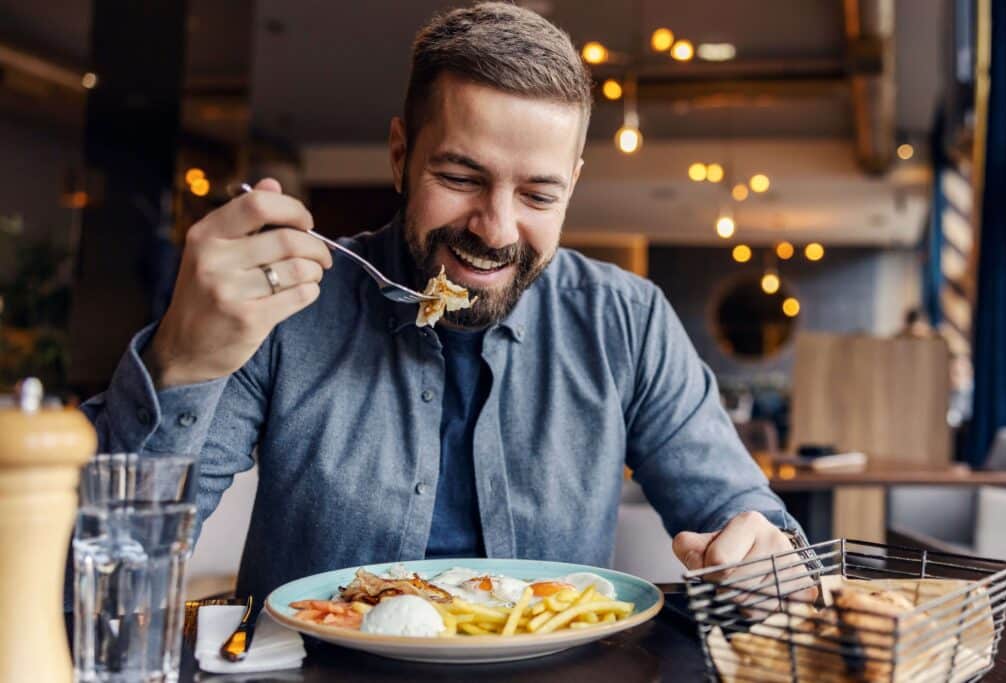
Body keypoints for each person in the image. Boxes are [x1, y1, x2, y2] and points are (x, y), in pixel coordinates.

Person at [81, 2, 811, 603]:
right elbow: (103, 574)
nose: (495, 229)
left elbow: (755, 537)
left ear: (572, 187)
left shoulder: (628, 321)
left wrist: (763, 560)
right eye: (462, 177)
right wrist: (181, 356)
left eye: (536, 194)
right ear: (401, 155)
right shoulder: (290, 307)